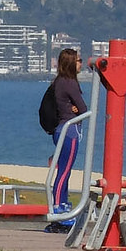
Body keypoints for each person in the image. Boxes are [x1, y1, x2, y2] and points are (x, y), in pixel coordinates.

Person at [44, 47, 87, 233]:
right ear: (71, 63)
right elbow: (83, 108)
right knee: (65, 170)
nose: (81, 64)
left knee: (64, 169)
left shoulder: (58, 82)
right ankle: (58, 206)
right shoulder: (69, 83)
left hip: (61, 130)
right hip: (70, 130)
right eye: (79, 61)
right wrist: (76, 110)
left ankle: (62, 203)